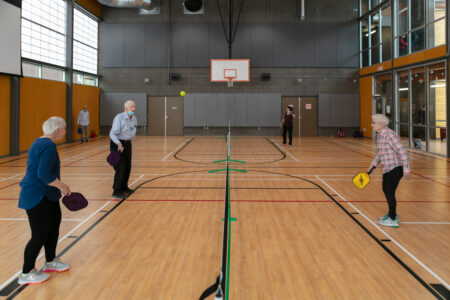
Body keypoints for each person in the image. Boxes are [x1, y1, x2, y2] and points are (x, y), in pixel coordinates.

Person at [18, 117, 71, 285]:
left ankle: (50, 261)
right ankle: (26, 272)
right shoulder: (48, 146)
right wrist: (62, 186)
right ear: (56, 131)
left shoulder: (39, 142)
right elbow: (44, 174)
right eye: (64, 129)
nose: (65, 131)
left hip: (48, 195)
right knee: (39, 234)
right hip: (36, 195)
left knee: (53, 226)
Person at [369, 114, 410, 228]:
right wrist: (374, 164)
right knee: (386, 190)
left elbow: (402, 151)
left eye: (373, 123)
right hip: (387, 168)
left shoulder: (390, 135)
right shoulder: (379, 135)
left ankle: (393, 219)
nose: (371, 125)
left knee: (389, 192)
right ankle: (392, 215)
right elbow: (381, 152)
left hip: (396, 168)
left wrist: (406, 168)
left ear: (381, 124)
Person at [109, 100, 137, 199]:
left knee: (127, 167)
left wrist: (131, 139)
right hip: (117, 144)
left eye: (134, 107)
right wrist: (119, 144)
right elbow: (112, 133)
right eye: (131, 107)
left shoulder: (134, 118)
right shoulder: (119, 118)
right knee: (120, 168)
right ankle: (116, 191)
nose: (133, 109)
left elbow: (133, 130)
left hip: (127, 143)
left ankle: (124, 187)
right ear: (125, 108)